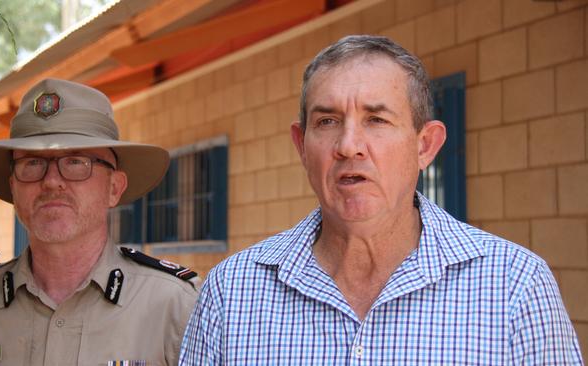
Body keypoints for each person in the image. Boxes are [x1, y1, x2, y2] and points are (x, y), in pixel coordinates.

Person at [179, 35, 583, 364]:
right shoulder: (231, 292)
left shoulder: (514, 285)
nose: (349, 146)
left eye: (376, 120)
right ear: (302, 146)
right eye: (327, 121)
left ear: (426, 146)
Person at [0, 78, 200, 365]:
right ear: (13, 187)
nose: (51, 181)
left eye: (76, 162)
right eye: (32, 163)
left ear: (114, 188)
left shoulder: (178, 308)